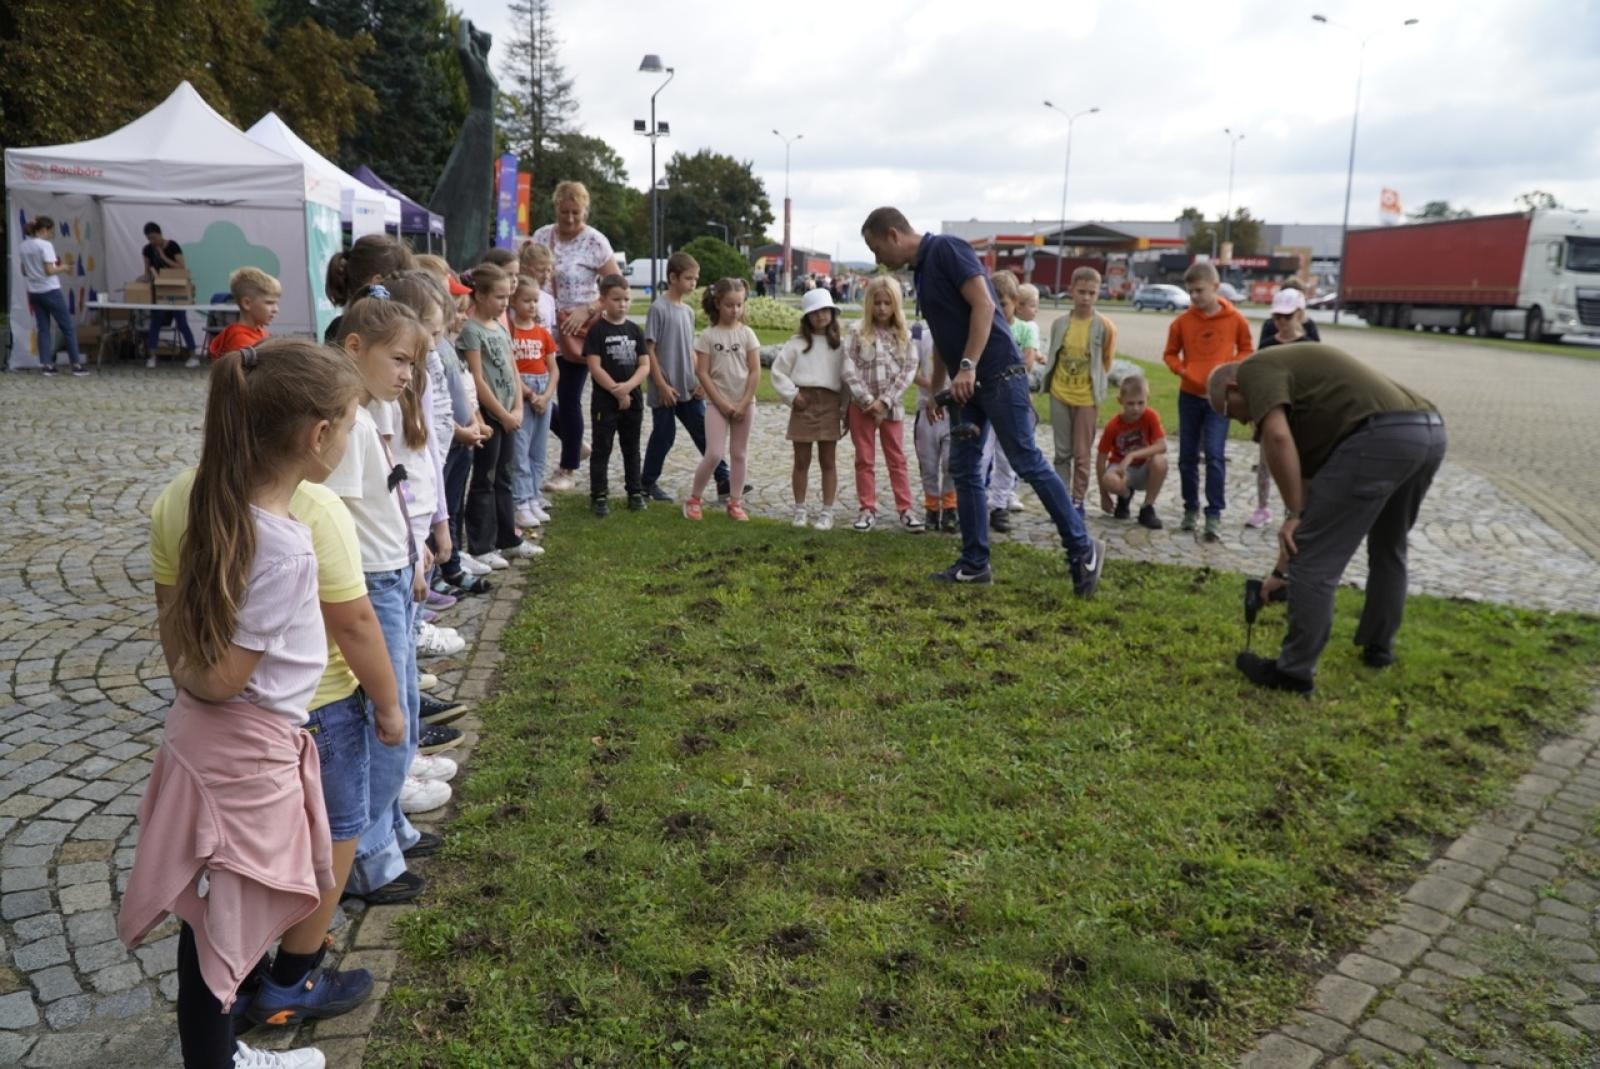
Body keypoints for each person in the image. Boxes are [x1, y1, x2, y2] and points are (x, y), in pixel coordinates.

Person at [120, 339, 366, 1069]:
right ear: (318, 436)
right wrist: (200, 677)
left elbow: (184, 641)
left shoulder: (211, 502)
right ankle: (216, 1061)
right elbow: (224, 677)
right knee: (224, 922)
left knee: (216, 918)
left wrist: (190, 675)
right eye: (350, 425)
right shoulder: (288, 546)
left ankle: (220, 1054)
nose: (351, 438)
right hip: (243, 750)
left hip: (208, 741)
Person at [860, 207, 1103, 592]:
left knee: (1026, 459)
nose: (878, 261)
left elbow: (985, 305)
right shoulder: (923, 273)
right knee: (966, 468)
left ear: (893, 234)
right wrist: (936, 389)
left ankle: (1082, 547)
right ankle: (975, 564)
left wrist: (969, 366)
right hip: (965, 387)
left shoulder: (947, 249)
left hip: (998, 374)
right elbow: (944, 337)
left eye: (876, 249)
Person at [1208, 344, 1446, 693]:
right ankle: (1378, 649)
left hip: (1379, 437)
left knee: (1316, 563)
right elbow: (1307, 498)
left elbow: (1276, 437)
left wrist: (1292, 514)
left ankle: (1293, 672)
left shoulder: (1253, 370)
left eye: (1234, 414)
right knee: (1389, 546)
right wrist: (1279, 572)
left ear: (1232, 389)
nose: (1245, 423)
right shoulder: (1310, 410)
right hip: (1427, 431)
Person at [325, 296, 433, 907]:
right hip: (368, 583)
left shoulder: (367, 417)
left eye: (413, 364)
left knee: (405, 710)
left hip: (393, 575)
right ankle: (366, 857)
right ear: (353, 348)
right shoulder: (352, 423)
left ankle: (388, 828)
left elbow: (385, 503)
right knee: (388, 721)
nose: (407, 375)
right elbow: (336, 520)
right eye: (398, 360)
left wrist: (411, 556)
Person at [531, 181, 622, 491]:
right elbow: (527, 273)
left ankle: (567, 467)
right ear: (555, 208)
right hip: (540, 325)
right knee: (533, 391)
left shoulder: (595, 241)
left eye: (576, 213)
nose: (569, 218)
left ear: (585, 210)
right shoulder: (543, 236)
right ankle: (576, 444)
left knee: (569, 397)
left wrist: (590, 308)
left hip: (576, 331)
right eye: (563, 211)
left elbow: (615, 285)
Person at [415, 257, 493, 595]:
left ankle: (452, 560)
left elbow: (459, 388)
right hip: (445, 444)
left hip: (457, 441)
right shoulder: (432, 346)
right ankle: (434, 575)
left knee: (452, 505)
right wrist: (461, 430)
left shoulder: (443, 343)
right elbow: (432, 410)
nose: (457, 309)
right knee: (434, 511)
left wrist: (474, 421)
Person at [458, 264, 544, 569]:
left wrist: (518, 408)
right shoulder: (471, 330)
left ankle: (509, 538)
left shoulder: (501, 327)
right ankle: (481, 544)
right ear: (478, 295)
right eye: (499, 297)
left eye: (508, 296)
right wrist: (502, 414)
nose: (505, 303)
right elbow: (478, 380)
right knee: (485, 479)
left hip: (510, 413)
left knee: (504, 477)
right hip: (493, 417)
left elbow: (512, 368)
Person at [1163, 260, 1254, 540]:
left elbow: (1248, 349)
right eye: (1190, 292)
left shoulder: (1235, 319)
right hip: (1189, 396)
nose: (1194, 297)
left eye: (1199, 291)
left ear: (1215, 287)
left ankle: (1213, 514)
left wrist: (1230, 371)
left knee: (1214, 455)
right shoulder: (1182, 322)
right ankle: (1190, 509)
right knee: (1187, 457)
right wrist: (1184, 371)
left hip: (1219, 400)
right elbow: (1170, 354)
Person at [641, 253, 730, 502]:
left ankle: (724, 479)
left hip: (688, 387)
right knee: (663, 436)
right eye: (689, 278)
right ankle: (646, 483)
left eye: (695, 278)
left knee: (705, 433)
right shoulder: (658, 308)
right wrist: (660, 385)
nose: (693, 283)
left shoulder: (688, 312)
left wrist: (699, 379)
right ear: (673, 277)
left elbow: (689, 348)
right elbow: (650, 349)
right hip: (666, 389)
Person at [842, 275, 922, 533]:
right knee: (864, 458)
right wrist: (868, 400)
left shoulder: (904, 336)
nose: (882, 309)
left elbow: (909, 369)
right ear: (869, 303)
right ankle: (867, 507)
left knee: (897, 458)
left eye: (888, 303)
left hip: (892, 408)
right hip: (862, 407)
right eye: (877, 303)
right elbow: (848, 368)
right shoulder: (856, 333)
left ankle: (905, 507)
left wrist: (885, 401)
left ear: (895, 305)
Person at [1044, 266, 1120, 516]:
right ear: (1071, 291)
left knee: (1082, 453)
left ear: (1098, 293)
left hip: (1086, 397)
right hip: (1060, 394)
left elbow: (1106, 360)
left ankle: (1078, 500)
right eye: (1081, 292)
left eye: (1091, 293)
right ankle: (1062, 499)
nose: (1086, 297)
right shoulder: (1060, 324)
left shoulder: (1104, 326)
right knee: (1062, 453)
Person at [770, 287, 847, 530]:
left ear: (832, 313)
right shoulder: (796, 345)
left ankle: (827, 511)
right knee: (801, 461)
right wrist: (792, 396)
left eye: (825, 310)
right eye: (815, 312)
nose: (820, 316)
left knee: (828, 460)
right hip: (804, 404)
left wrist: (845, 409)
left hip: (830, 403)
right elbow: (778, 372)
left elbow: (847, 380)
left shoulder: (840, 346)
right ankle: (800, 508)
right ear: (806, 317)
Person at [684, 278, 760, 522]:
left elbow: (755, 371)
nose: (735, 310)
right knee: (714, 453)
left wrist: (744, 402)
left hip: (745, 404)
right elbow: (703, 373)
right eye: (729, 305)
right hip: (717, 405)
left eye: (739, 305)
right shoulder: (707, 336)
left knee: (739, 453)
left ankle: (735, 502)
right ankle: (694, 499)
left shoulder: (747, 334)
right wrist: (721, 403)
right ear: (718, 304)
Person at [1247, 283, 1320, 528]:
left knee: (1299, 464)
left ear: (1299, 315)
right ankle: (1262, 507)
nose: (1280, 321)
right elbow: (1257, 376)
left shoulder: (1309, 344)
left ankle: (1296, 510)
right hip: (1273, 409)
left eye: (1286, 317)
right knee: (1266, 463)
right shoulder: (1268, 343)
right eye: (1276, 316)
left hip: (1300, 412)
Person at [583, 275, 651, 515]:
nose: (622, 304)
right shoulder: (596, 331)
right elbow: (595, 366)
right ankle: (599, 495)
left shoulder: (634, 330)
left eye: (626, 299)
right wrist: (616, 390)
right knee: (602, 448)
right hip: (605, 401)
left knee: (631, 447)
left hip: (632, 400)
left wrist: (628, 388)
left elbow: (644, 365)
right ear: (602, 300)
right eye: (616, 299)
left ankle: (634, 491)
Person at [507, 275, 559, 529]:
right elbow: (511, 369)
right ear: (514, 301)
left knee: (538, 450)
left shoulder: (543, 334)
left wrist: (547, 395)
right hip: (523, 392)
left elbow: (553, 368)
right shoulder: (510, 331)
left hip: (542, 392)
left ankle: (534, 495)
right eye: (526, 300)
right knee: (520, 450)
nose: (532, 306)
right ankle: (521, 501)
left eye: (535, 301)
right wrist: (528, 393)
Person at [980, 271, 1025, 530]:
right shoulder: (982, 324)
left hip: (1012, 401)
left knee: (1007, 455)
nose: (997, 309)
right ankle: (978, 502)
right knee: (982, 453)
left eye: (1003, 304)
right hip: (987, 399)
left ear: (1015, 301)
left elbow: (1027, 362)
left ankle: (999, 504)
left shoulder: (1022, 330)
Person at [1096, 374, 1167, 529]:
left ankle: (1147, 507)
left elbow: (1162, 446)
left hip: (1143, 468)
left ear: (1147, 399)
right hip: (1121, 469)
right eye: (1130, 403)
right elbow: (1101, 458)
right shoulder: (1113, 425)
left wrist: (1132, 455)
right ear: (1120, 401)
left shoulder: (1150, 416)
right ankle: (1125, 496)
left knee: (1160, 461)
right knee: (1109, 479)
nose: (1136, 408)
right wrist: (1104, 495)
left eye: (1141, 403)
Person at [19, 216, 87, 376]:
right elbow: (49, 270)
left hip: (34, 291)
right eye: (51, 231)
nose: (51, 234)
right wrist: (63, 267)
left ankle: (46, 365)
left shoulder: (23, 246)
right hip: (50, 290)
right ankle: (76, 365)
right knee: (67, 328)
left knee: (43, 328)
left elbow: (23, 271)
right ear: (44, 230)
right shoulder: (45, 245)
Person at [324, 235, 415, 344]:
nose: (408, 289)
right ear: (377, 282)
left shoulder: (339, 326)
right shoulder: (389, 329)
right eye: (402, 280)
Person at [911, 320, 956, 532]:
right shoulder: (922, 336)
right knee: (928, 463)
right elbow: (912, 370)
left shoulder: (961, 334)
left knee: (951, 461)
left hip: (954, 410)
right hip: (927, 409)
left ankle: (950, 507)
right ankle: (931, 507)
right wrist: (935, 390)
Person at [141, 222, 199, 368]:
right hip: (159, 291)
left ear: (160, 234)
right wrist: (145, 279)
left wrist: (163, 257)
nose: (152, 241)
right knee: (155, 322)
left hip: (176, 290)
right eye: (149, 238)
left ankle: (193, 355)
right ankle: (152, 356)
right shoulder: (148, 250)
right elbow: (147, 271)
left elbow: (181, 267)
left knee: (182, 323)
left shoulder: (173, 246)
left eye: (154, 237)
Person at [208, 267, 281, 360]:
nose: (276, 309)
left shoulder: (261, 332)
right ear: (247, 303)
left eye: (276, 303)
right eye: (269, 303)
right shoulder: (241, 342)